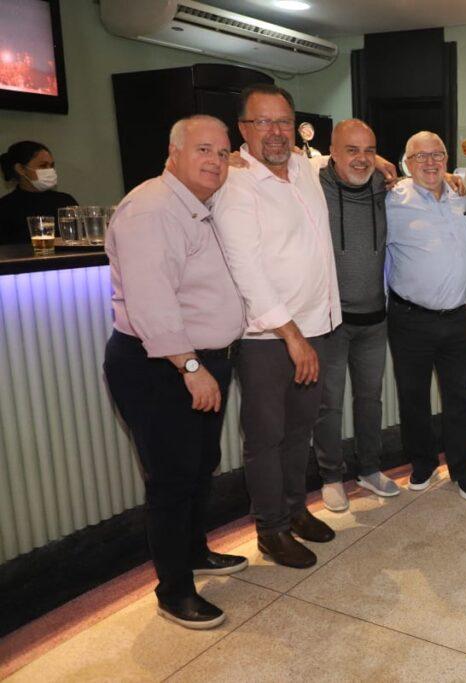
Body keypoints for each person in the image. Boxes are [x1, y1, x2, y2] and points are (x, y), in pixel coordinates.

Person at [103, 115, 248, 629]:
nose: (215, 161)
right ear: (173, 153)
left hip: (200, 362)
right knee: (171, 480)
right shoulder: (151, 208)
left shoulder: (197, 206)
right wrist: (190, 366)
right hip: (162, 367)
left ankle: (194, 552)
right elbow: (151, 302)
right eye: (203, 149)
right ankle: (174, 591)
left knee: (199, 467)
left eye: (223, 152)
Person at [213, 83, 342, 569]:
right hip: (269, 338)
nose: (275, 131)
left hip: (316, 327)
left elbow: (342, 158)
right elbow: (245, 268)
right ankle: (270, 529)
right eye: (263, 121)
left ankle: (294, 510)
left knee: (299, 430)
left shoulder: (304, 168)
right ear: (242, 129)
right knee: (266, 437)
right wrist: (291, 336)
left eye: (283, 121)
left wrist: (385, 162)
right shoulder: (235, 183)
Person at [385, 131, 466, 501]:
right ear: (407, 163)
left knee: (459, 397)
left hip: (457, 319)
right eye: (420, 156)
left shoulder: (463, 196)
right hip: (410, 319)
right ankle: (422, 464)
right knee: (413, 398)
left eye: (437, 154)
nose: (430, 162)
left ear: (447, 158)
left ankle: (463, 469)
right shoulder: (392, 199)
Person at [310, 119, 399, 512]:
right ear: (332, 151)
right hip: (331, 322)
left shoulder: (385, 185)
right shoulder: (313, 184)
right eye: (352, 150)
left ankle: (370, 469)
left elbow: (426, 176)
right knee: (328, 404)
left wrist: (447, 175)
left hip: (375, 318)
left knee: (370, 399)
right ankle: (331, 476)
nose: (362, 159)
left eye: (369, 150)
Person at [0, 140, 77, 245]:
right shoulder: (5, 207)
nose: (50, 170)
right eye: (43, 166)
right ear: (20, 169)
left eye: (51, 166)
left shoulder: (65, 201)